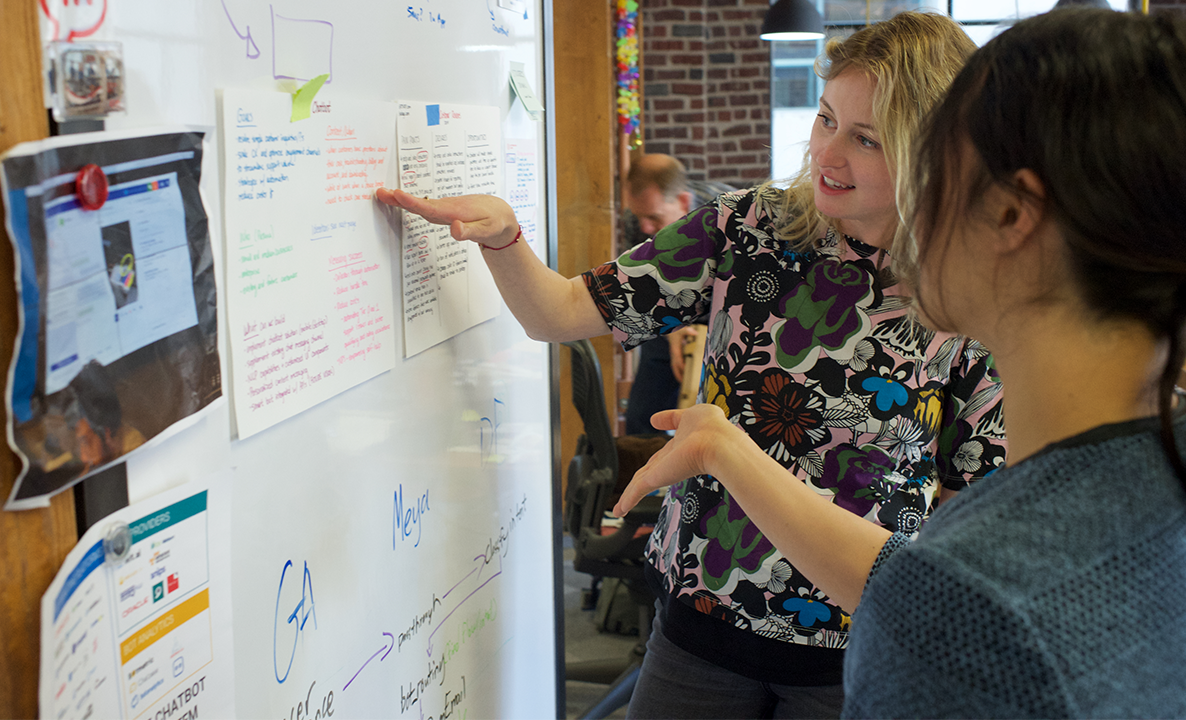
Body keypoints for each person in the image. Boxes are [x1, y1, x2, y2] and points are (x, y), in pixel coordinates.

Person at [377, 12, 1002, 717]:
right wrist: (503, 235)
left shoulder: (973, 287)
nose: (828, 153)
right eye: (826, 119)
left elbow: (987, 505)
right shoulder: (751, 229)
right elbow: (553, 314)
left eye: (866, 139)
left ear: (931, 154)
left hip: (861, 652)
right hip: (702, 625)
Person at [614, 7, 1186, 717]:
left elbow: (949, 601)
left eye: (934, 167)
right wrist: (726, 450)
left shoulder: (960, 624)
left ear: (1011, 214)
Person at [621, 154, 724, 435]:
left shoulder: (728, 218)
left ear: (682, 201)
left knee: (714, 425)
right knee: (642, 421)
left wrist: (708, 338)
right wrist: (673, 330)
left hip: (724, 320)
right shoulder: (638, 221)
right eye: (639, 216)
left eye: (653, 217)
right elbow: (644, 285)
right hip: (667, 312)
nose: (644, 228)